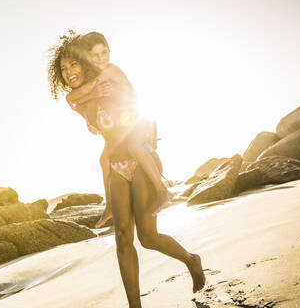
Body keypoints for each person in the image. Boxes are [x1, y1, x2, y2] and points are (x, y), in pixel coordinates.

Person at [48, 32, 205, 308]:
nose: (69, 72)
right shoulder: (81, 100)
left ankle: (191, 260)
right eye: (64, 69)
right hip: (117, 167)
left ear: (84, 63)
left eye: (74, 64)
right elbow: (74, 100)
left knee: (148, 237)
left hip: (141, 160)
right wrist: (94, 92)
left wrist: (97, 89)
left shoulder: (111, 74)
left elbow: (132, 116)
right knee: (122, 236)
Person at [65, 32, 172, 227]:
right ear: (87, 58)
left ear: (109, 51)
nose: (101, 59)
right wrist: (85, 97)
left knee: (134, 146)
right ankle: (110, 206)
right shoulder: (97, 77)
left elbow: (75, 97)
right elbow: (75, 98)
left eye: (104, 52)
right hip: (124, 127)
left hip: (138, 119)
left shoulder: (109, 70)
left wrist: (81, 97)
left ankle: (162, 190)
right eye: (95, 56)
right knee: (104, 159)